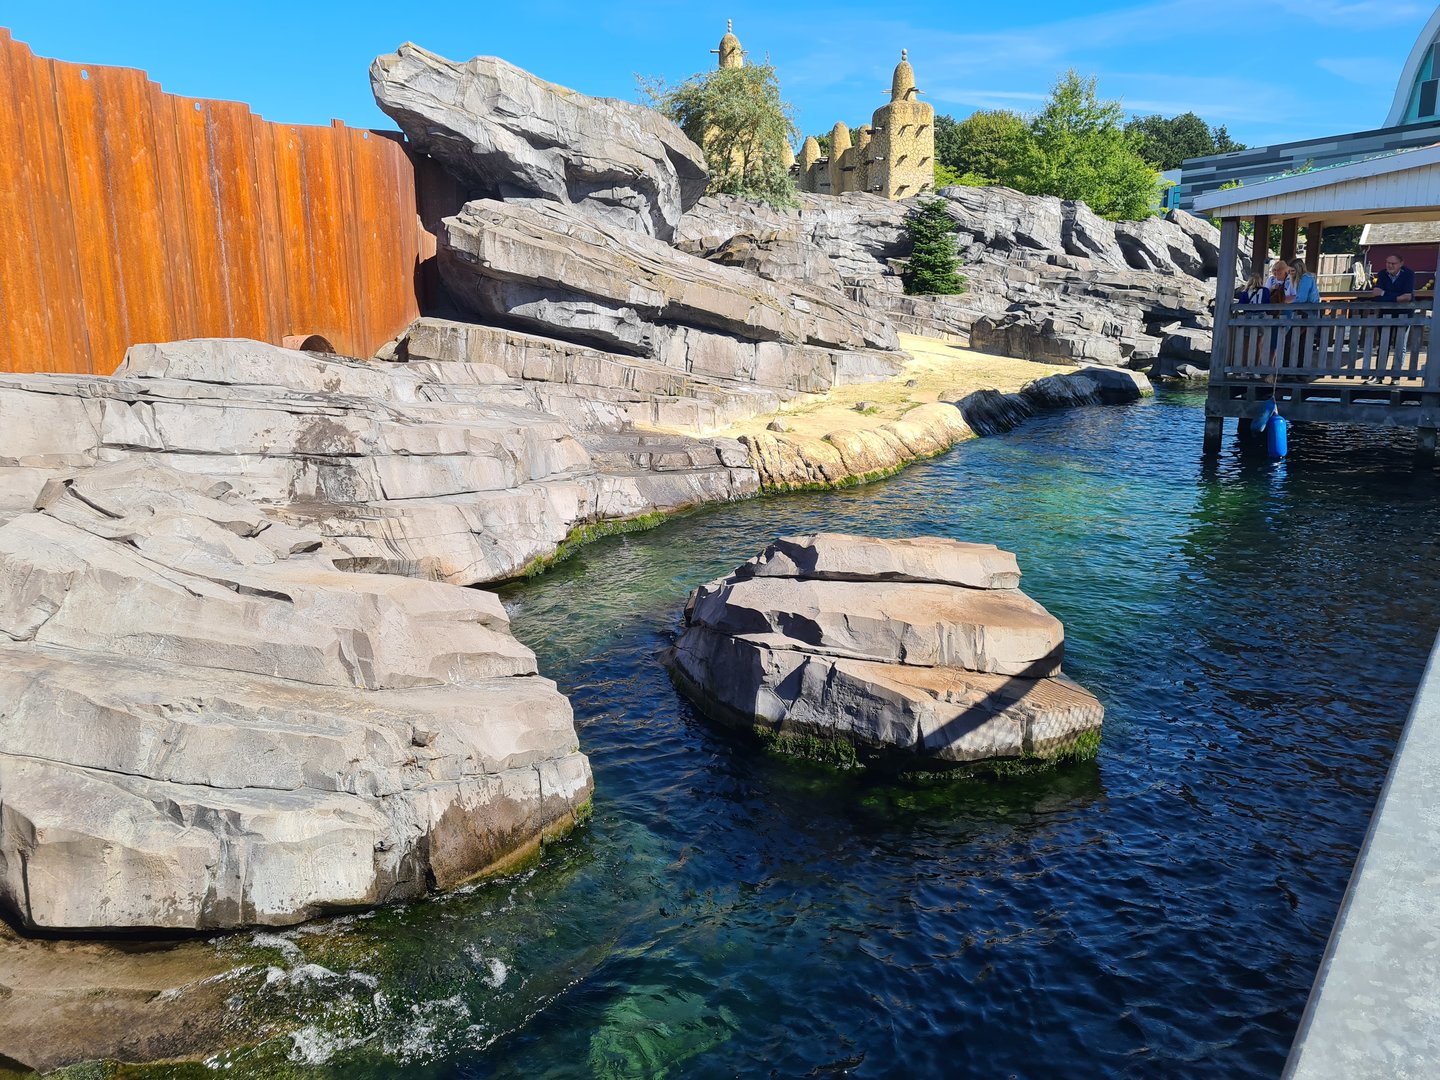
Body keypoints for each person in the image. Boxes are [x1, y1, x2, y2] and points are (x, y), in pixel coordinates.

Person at [1369, 256, 1416, 382]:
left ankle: (1395, 376)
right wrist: (1396, 297)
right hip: (1385, 313)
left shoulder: (1408, 274)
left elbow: (1407, 297)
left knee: (1400, 345)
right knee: (1383, 344)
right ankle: (1378, 375)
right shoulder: (1382, 274)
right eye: (1388, 262)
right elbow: (1376, 295)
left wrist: (1385, 294)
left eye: (1393, 263)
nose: (1389, 265)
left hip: (1404, 313)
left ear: (1401, 263)